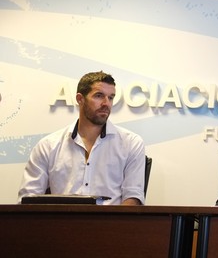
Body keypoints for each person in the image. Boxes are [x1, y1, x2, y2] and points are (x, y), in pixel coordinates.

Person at [18, 71, 145, 205]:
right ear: (80, 99)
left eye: (111, 97)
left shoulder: (131, 143)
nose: (106, 103)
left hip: (110, 223)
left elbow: (133, 196)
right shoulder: (48, 145)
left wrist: (113, 225)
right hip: (61, 223)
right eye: (99, 96)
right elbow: (28, 198)